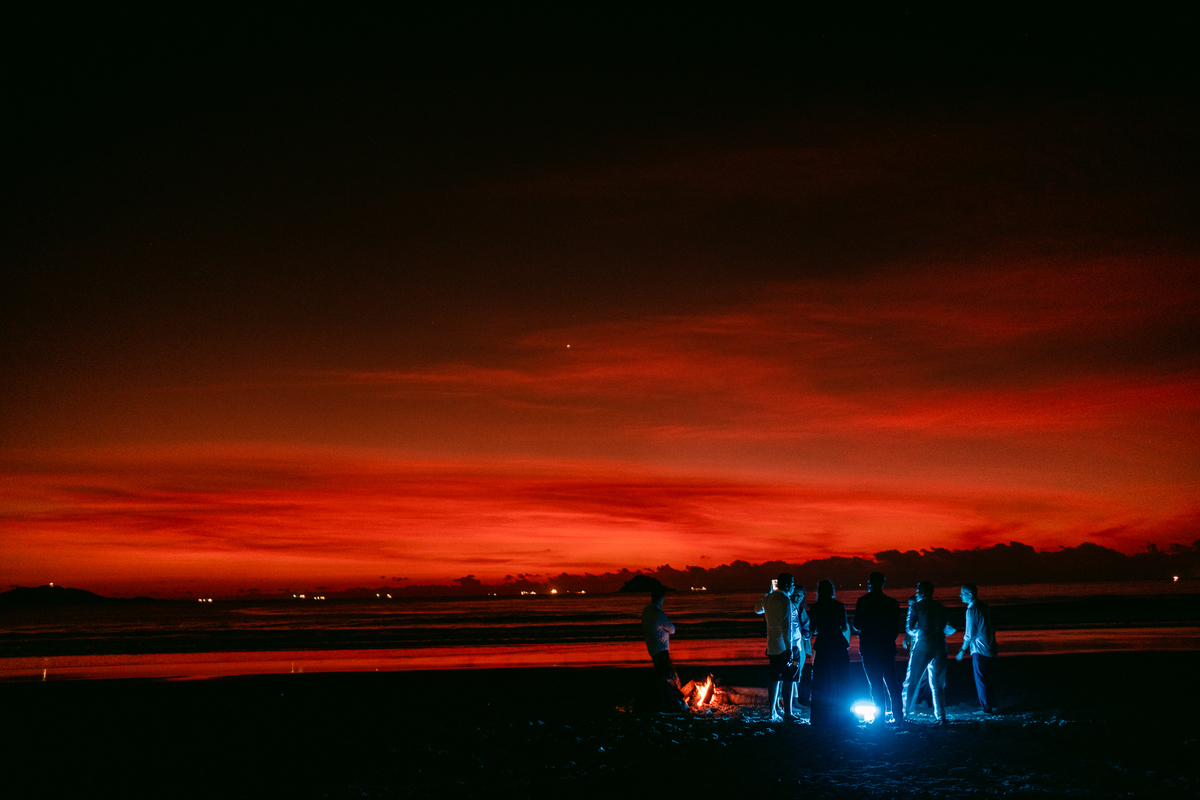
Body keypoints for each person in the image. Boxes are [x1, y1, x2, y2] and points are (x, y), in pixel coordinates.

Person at [852, 571, 904, 727]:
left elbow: (857, 624)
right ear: (883, 583)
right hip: (886, 646)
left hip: (869, 647)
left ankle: (880, 718)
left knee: (875, 683)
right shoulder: (892, 602)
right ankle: (898, 716)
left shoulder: (863, 601)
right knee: (892, 682)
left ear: (869, 582)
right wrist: (889, 639)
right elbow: (896, 627)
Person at [903, 580, 955, 723]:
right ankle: (941, 715)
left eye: (917, 590)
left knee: (913, 680)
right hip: (940, 647)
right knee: (938, 683)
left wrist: (921, 631)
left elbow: (910, 628)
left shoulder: (916, 606)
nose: (916, 593)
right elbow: (951, 628)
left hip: (923, 645)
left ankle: (906, 712)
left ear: (922, 592)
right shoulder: (941, 608)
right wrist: (939, 632)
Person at [808, 579, 854, 728]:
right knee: (842, 678)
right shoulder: (839, 605)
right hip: (838, 642)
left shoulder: (815, 607)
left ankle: (819, 717)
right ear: (832, 591)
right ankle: (844, 714)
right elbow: (844, 627)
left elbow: (813, 629)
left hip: (823, 643)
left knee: (821, 679)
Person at [754, 572, 799, 721]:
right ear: (787, 585)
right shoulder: (785, 600)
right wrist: (789, 648)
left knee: (774, 678)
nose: (793, 587)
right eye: (792, 584)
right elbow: (787, 626)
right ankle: (788, 713)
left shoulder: (768, 598)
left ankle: (772, 711)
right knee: (788, 678)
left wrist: (767, 594)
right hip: (784, 645)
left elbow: (757, 609)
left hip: (772, 645)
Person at [956, 583, 998, 714]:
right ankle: (993, 704)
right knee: (988, 678)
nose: (960, 596)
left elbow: (969, 634)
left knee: (980, 679)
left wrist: (962, 650)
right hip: (990, 646)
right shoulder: (984, 606)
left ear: (970, 594)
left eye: (962, 593)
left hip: (979, 649)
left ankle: (987, 708)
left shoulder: (972, 610)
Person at [642, 586, 679, 687]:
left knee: (659, 672)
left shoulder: (646, 611)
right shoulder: (658, 613)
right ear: (661, 598)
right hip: (661, 648)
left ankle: (661, 690)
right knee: (665, 674)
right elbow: (672, 629)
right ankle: (666, 692)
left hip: (652, 647)